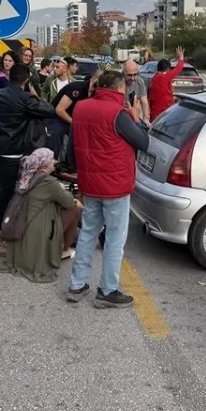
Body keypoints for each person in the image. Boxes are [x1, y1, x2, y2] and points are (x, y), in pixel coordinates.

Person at [65, 70, 151, 308]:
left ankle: (77, 284)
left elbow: (72, 147)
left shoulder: (81, 107)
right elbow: (143, 142)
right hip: (115, 187)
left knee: (89, 233)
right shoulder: (119, 113)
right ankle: (108, 290)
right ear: (119, 89)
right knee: (114, 238)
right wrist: (135, 117)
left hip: (90, 184)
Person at [0, 63, 58, 256]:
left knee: (7, 194)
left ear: (9, 75)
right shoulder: (25, 99)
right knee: (7, 195)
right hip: (13, 152)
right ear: (26, 79)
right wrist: (33, 95)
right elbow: (49, 110)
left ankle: (5, 232)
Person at [0, 148, 83, 282]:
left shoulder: (25, 176)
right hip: (37, 234)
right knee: (74, 207)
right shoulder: (49, 183)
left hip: (19, 230)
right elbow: (68, 202)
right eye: (51, 160)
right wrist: (62, 190)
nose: (54, 162)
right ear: (44, 165)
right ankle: (64, 249)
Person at [50, 73, 95, 165]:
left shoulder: (95, 92)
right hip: (57, 117)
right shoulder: (77, 88)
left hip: (73, 119)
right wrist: (74, 123)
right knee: (56, 135)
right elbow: (59, 110)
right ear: (94, 79)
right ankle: (50, 165)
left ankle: (70, 165)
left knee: (80, 139)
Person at [147, 46, 187, 121]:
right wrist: (181, 58)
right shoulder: (164, 77)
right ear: (167, 69)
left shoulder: (155, 78)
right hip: (162, 113)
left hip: (154, 113)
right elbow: (178, 68)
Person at [123, 59, 150, 124]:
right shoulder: (118, 82)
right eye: (129, 75)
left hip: (136, 114)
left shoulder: (139, 81)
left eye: (135, 74)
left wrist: (146, 119)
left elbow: (144, 100)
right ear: (123, 73)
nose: (133, 78)